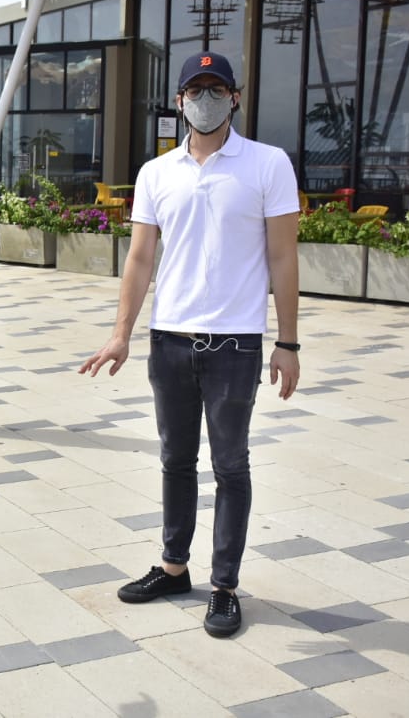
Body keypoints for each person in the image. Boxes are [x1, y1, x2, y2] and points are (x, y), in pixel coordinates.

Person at [79, 51, 300, 639]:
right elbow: (141, 257)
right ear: (178, 101)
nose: (205, 98)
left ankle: (224, 585)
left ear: (235, 97)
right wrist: (121, 333)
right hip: (170, 339)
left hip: (235, 344)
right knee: (176, 461)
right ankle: (174, 567)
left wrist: (289, 342)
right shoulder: (157, 173)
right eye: (195, 89)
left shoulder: (267, 164)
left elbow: (283, 257)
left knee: (231, 465)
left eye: (216, 88)